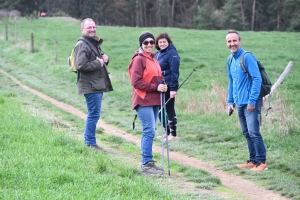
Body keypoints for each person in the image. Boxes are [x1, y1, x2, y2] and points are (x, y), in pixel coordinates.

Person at [226, 30, 267, 172]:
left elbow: (257, 79)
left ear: (240, 41)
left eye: (234, 41)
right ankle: (252, 160)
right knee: (246, 133)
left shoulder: (247, 57)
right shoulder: (230, 59)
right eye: (229, 41)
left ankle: (261, 162)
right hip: (239, 103)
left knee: (254, 132)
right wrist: (230, 102)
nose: (232, 44)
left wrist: (252, 101)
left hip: (251, 103)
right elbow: (231, 81)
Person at [128, 31, 167, 175]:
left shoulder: (153, 59)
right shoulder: (139, 59)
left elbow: (157, 77)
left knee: (151, 130)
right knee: (149, 130)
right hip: (143, 99)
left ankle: (149, 162)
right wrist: (155, 87)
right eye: (146, 42)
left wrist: (163, 85)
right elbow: (136, 82)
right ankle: (146, 164)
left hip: (155, 99)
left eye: (152, 42)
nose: (149, 44)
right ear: (141, 44)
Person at [74, 18, 113, 151]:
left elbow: (95, 58)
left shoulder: (93, 42)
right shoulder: (82, 44)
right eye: (89, 27)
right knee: (93, 114)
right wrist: (99, 63)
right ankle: (90, 143)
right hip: (90, 85)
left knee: (94, 114)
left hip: (95, 84)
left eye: (94, 27)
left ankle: (89, 141)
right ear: (82, 30)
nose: (92, 29)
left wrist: (105, 59)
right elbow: (80, 65)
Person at [155, 32, 180, 141]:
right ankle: (167, 132)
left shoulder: (172, 53)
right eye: (160, 42)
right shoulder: (159, 53)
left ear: (168, 42)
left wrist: (173, 89)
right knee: (161, 108)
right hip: (161, 85)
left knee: (170, 109)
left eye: (164, 42)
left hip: (169, 85)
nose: (162, 44)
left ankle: (173, 135)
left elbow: (175, 71)